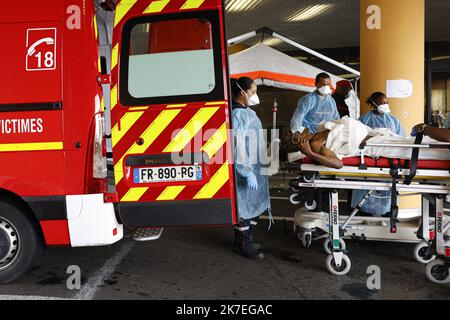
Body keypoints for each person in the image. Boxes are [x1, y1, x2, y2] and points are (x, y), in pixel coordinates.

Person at [230, 77, 271, 260]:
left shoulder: (247, 112)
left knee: (250, 206)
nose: (255, 96)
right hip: (245, 168)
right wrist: (246, 171)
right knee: (244, 207)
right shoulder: (237, 114)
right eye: (253, 92)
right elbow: (237, 146)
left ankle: (245, 240)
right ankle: (243, 244)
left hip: (254, 165)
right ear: (242, 92)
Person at [351, 92, 405, 216]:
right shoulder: (363, 119)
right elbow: (358, 138)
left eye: (387, 102)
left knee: (386, 190)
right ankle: (364, 212)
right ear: (374, 104)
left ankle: (387, 213)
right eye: (382, 103)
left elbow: (401, 138)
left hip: (389, 157)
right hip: (369, 157)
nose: (386, 105)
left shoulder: (393, 120)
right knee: (365, 191)